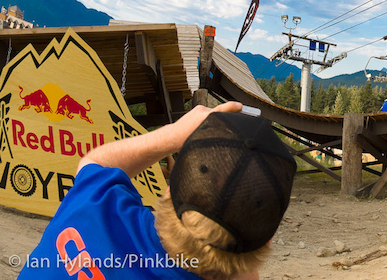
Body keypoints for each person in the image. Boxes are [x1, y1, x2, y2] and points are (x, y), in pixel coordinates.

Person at [22, 102, 296, 280]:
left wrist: (173, 134)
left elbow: (93, 163)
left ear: (168, 188)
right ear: (267, 241)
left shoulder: (95, 206)